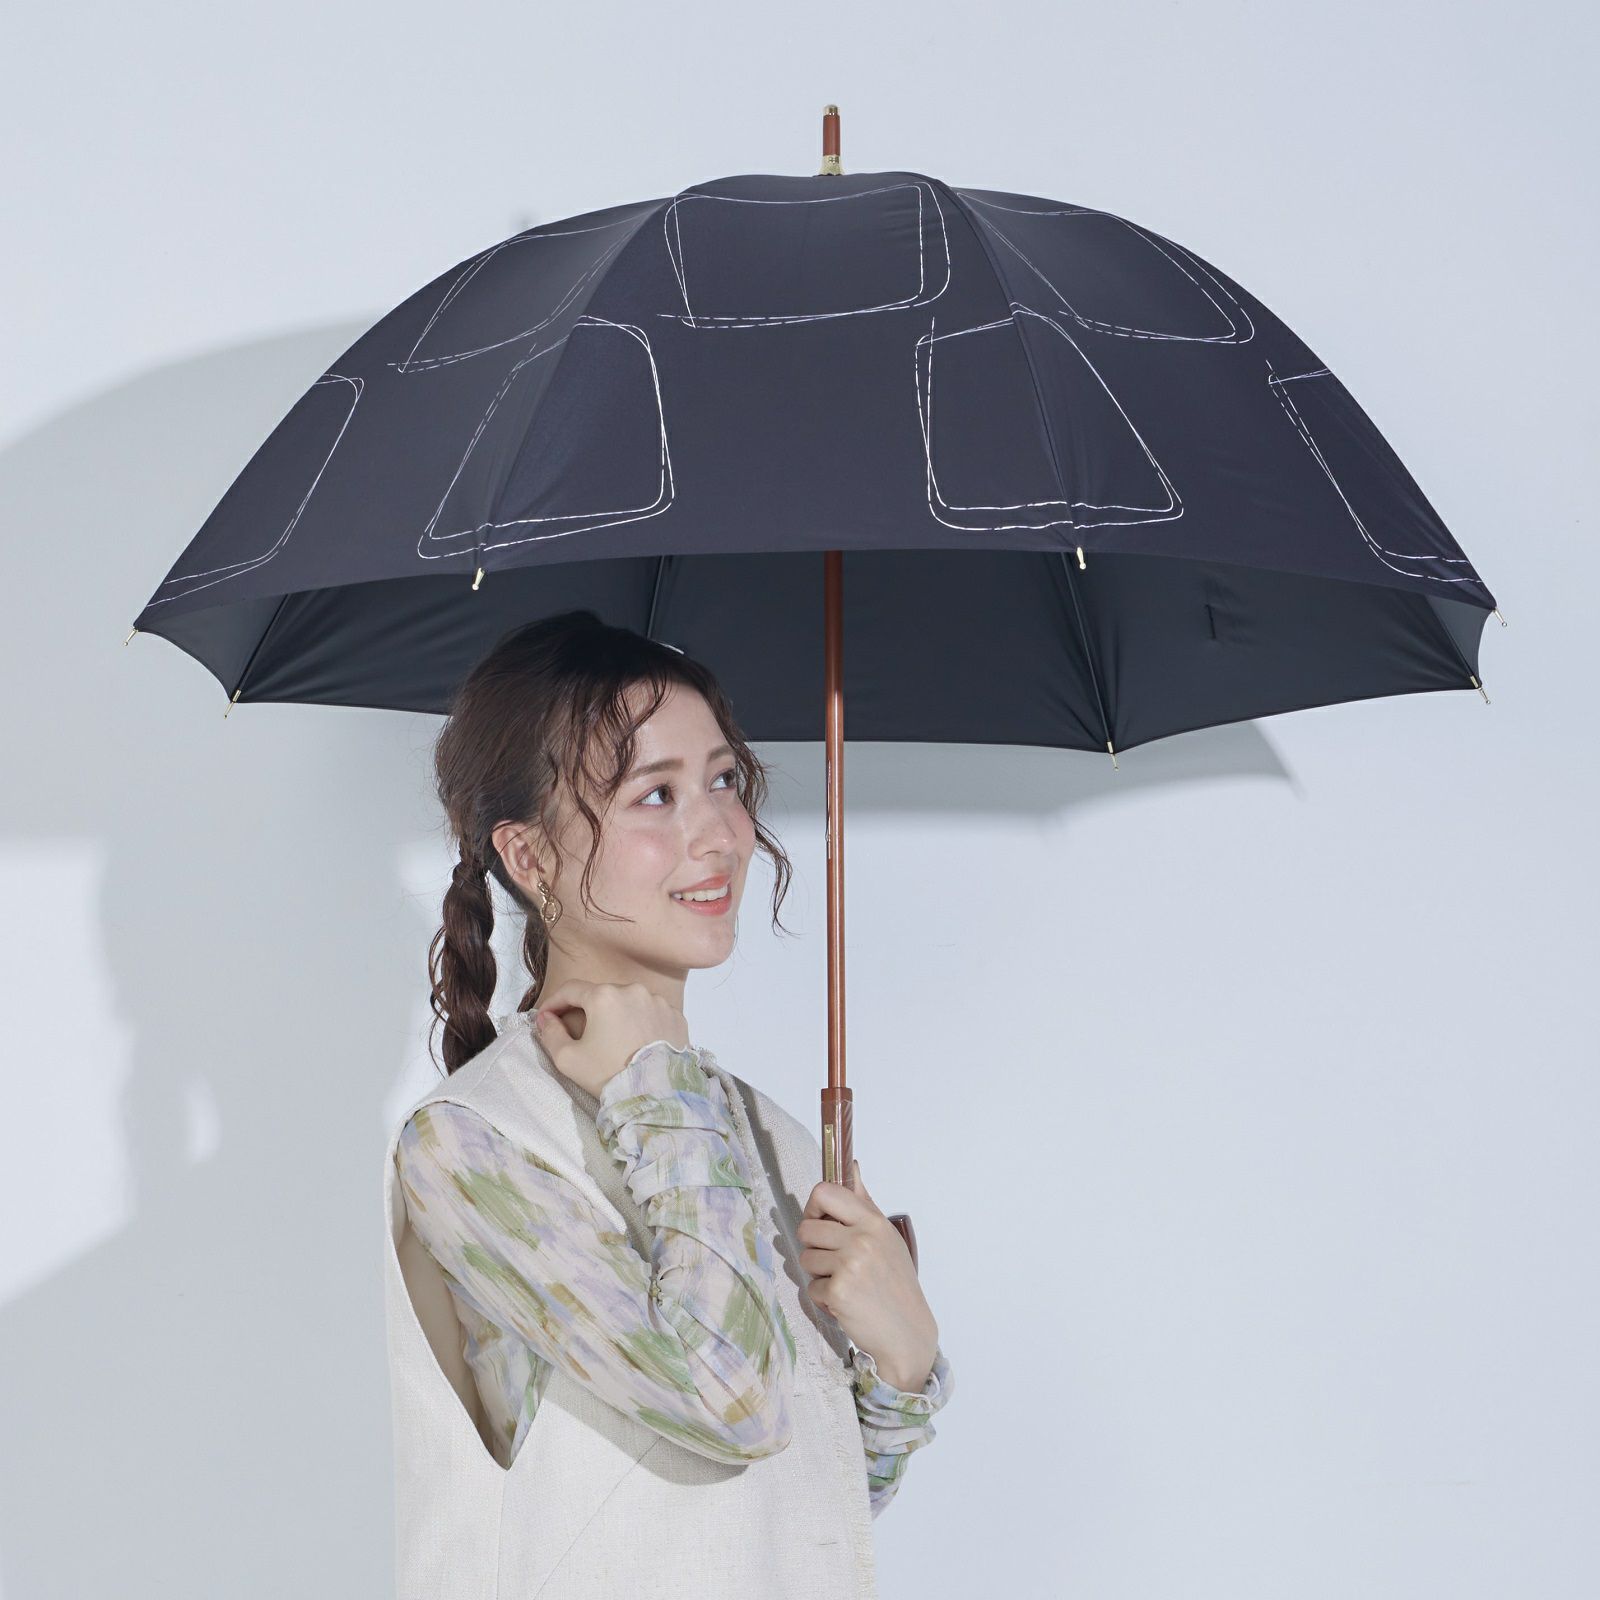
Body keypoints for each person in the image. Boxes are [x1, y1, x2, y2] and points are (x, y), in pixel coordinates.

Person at [382, 608, 953, 1599]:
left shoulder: (767, 1135)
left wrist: (902, 1362)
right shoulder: (475, 1143)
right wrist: (657, 1083)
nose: (720, 834)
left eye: (725, 780)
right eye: (655, 794)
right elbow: (729, 1404)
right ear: (529, 857)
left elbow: (795, 1509)